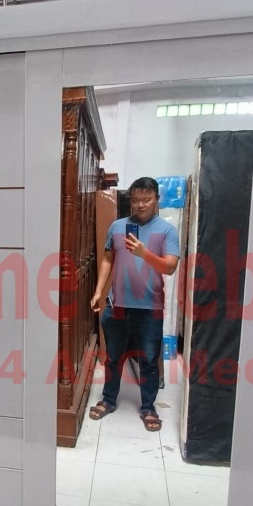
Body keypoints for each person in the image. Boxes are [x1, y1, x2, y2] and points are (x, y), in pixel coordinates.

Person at [88, 177, 180, 432]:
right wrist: (98, 291)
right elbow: (108, 259)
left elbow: (170, 267)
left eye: (146, 199)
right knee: (113, 357)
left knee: (149, 359)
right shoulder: (117, 226)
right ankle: (108, 400)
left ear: (157, 200)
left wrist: (144, 253)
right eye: (136, 200)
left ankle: (148, 407)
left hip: (150, 308)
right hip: (117, 305)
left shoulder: (167, 231)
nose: (140, 205)